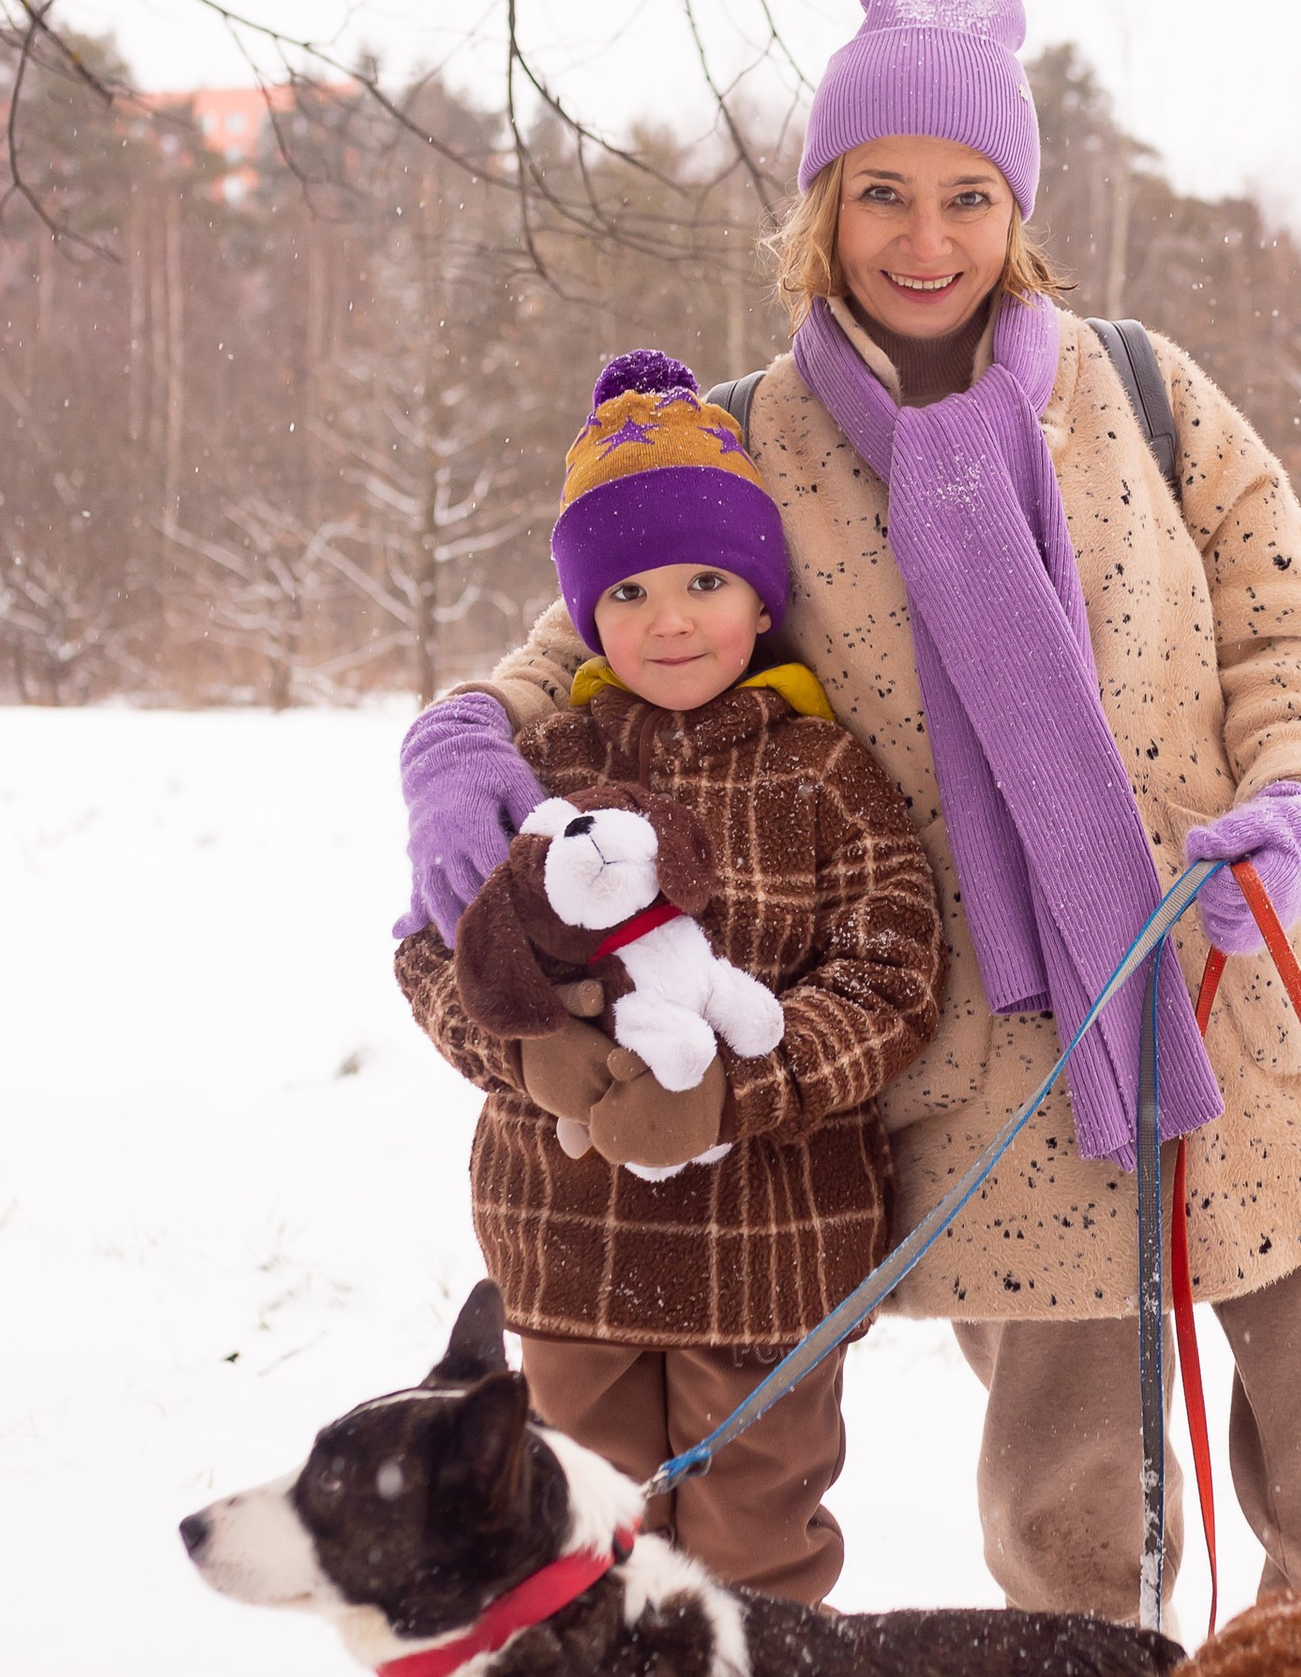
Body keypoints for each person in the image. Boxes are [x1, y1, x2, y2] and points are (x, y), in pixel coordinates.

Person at [398, 0, 1301, 1621]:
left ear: (1018, 209)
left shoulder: (1140, 391)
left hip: (1247, 983)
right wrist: (461, 741)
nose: (925, 239)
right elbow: (589, 633)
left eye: (969, 195)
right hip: (1001, 1065)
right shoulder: (747, 441)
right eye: (882, 193)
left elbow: (1292, 626)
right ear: (822, 209)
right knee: (1072, 1546)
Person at [394, 349, 945, 1604]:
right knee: (584, 1546)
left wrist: (737, 1090)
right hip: (568, 1241)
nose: (672, 617)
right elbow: (432, 948)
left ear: (763, 601)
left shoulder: (825, 774)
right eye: (629, 591)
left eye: (707, 580)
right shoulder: (541, 766)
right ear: (588, 618)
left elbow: (892, 977)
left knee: (755, 1547)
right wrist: (526, 1048)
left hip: (772, 1253)